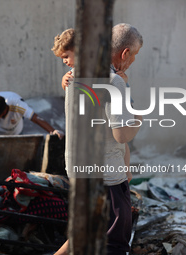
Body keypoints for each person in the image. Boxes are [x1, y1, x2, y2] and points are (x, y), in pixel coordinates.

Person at [51, 23, 143, 255]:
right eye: (135, 55)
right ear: (125, 53)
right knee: (112, 244)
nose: (133, 62)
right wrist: (140, 119)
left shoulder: (76, 77)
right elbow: (121, 134)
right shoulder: (112, 81)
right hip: (106, 177)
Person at [0, 91, 64, 160]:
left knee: (15, 157)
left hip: (16, 133)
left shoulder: (17, 104)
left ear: (3, 112)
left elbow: (35, 118)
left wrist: (53, 131)